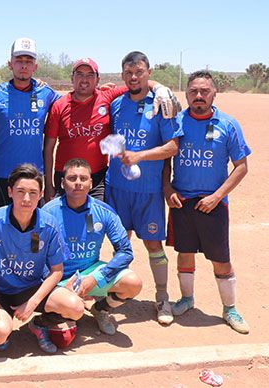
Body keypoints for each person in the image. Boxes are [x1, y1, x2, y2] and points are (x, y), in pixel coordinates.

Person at [163, 70, 251, 334]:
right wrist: (168, 190)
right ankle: (187, 300)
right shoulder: (176, 122)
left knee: (221, 259)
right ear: (186, 94)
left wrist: (217, 196)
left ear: (214, 93)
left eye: (204, 91)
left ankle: (230, 309)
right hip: (182, 201)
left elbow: (241, 166)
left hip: (213, 203)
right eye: (193, 91)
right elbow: (166, 160)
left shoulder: (229, 124)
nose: (198, 96)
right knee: (184, 253)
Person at [104, 51, 183, 325]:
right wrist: (115, 150)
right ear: (122, 75)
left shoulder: (160, 103)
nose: (134, 77)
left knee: (153, 244)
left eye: (139, 71)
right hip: (118, 188)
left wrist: (139, 156)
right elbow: (113, 138)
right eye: (128, 73)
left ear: (149, 72)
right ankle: (116, 294)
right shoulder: (116, 104)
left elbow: (173, 146)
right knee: (120, 244)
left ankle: (162, 298)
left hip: (148, 190)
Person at [0, 164, 84, 354]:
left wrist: (32, 303)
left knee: (75, 307)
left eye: (33, 193)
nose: (26, 199)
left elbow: (57, 270)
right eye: (20, 191)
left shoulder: (49, 225)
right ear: (10, 192)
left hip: (32, 288)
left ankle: (39, 323)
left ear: (41, 194)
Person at [44, 58, 180, 202]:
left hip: (97, 178)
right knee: (64, 221)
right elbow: (48, 149)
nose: (84, 79)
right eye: (79, 74)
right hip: (67, 177)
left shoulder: (107, 97)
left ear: (97, 80)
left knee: (97, 221)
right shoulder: (59, 106)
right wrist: (48, 185)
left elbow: (137, 83)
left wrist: (160, 88)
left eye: (90, 75)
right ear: (72, 78)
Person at [42, 158, 142, 335]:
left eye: (83, 178)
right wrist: (50, 283)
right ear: (62, 182)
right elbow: (34, 251)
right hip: (57, 277)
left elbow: (125, 252)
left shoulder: (104, 211)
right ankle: (49, 316)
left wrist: (96, 278)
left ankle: (100, 309)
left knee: (133, 283)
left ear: (91, 182)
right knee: (69, 323)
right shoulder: (47, 213)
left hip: (90, 273)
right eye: (72, 178)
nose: (78, 183)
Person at [0, 38, 60, 210]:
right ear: (10, 63)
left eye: (29, 61)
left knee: (34, 233)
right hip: (3, 176)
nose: (24, 65)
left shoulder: (46, 93)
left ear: (35, 66)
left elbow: (73, 103)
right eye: (19, 60)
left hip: (34, 177)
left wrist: (104, 91)